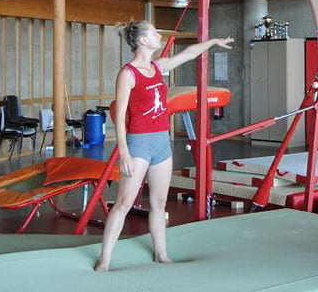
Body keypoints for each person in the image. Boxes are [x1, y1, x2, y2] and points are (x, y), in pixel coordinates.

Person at [94, 20, 233, 271]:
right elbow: (119, 115)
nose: (159, 34)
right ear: (143, 40)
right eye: (154, 32)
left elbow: (188, 55)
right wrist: (123, 152)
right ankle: (105, 260)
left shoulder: (157, 67)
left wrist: (213, 42)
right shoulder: (128, 74)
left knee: (158, 203)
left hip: (161, 143)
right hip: (138, 143)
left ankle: (162, 254)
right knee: (124, 202)